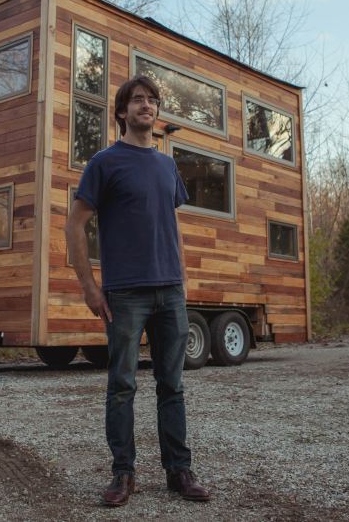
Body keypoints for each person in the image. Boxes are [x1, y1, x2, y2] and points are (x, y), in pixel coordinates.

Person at [65, 76, 211, 506]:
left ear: (157, 111)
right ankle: (122, 475)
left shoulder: (167, 165)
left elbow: (172, 224)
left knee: (173, 386)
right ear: (122, 112)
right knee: (122, 385)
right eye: (137, 100)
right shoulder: (105, 163)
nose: (146, 106)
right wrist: (89, 286)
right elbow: (75, 223)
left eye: (151, 100)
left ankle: (179, 472)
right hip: (125, 293)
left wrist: (181, 278)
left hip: (170, 292)